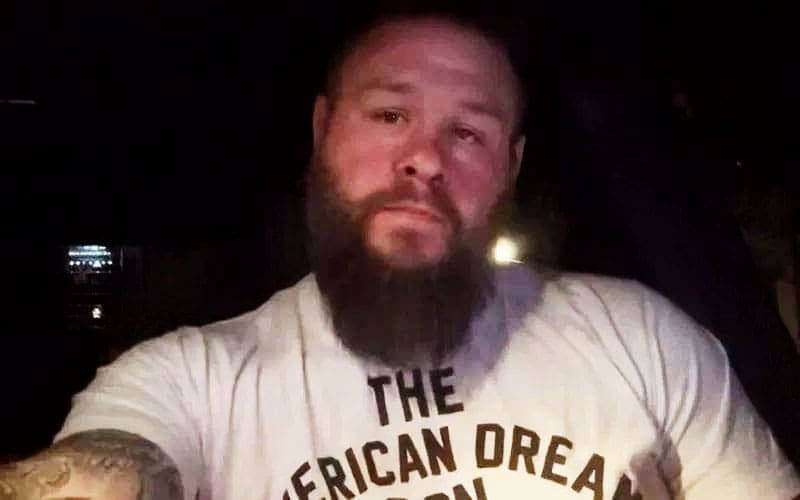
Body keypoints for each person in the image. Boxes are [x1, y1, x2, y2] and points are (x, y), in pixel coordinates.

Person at [1, 7, 798, 500]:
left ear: (511, 167)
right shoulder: (188, 383)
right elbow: (106, 472)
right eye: (389, 115)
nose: (425, 159)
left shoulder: (643, 341)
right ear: (323, 130)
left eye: (468, 132)